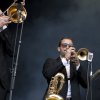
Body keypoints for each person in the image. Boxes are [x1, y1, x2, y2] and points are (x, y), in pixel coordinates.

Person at [0, 9, 13, 100]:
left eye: (2, 14)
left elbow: (12, 51)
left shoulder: (4, 32)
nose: (3, 16)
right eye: (0, 15)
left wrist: (4, 28)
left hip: (1, 79)